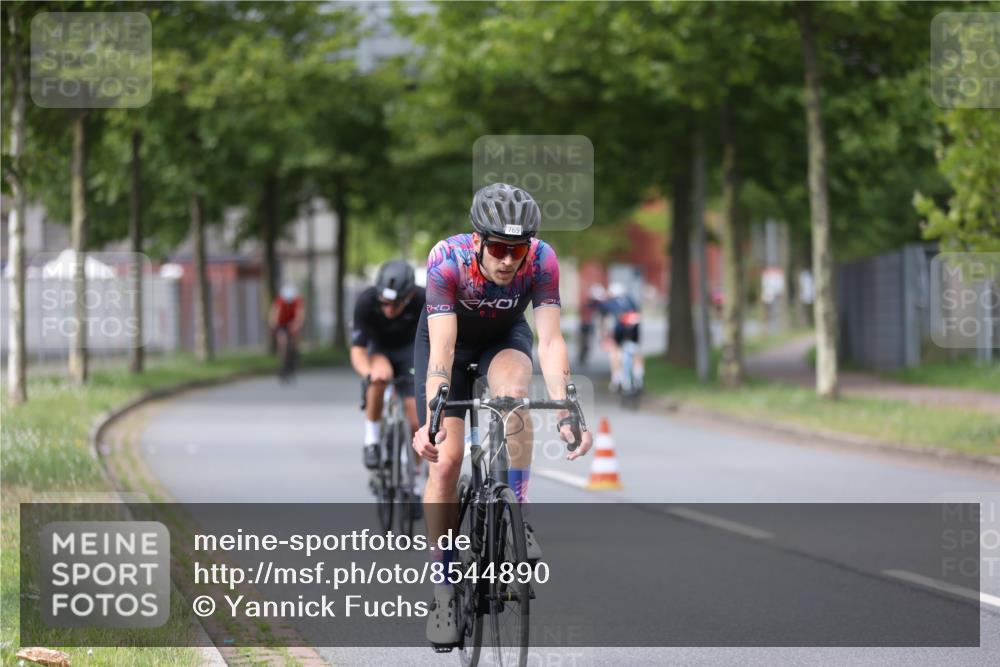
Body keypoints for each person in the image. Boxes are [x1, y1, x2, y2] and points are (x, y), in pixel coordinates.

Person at [411, 182, 593, 646]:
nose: (509, 259)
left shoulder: (542, 260)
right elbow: (443, 351)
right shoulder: (446, 260)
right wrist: (432, 417)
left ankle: (518, 509)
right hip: (445, 345)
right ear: (477, 241)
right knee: (447, 461)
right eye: (497, 247)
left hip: (503, 341)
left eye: (518, 248)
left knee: (513, 394)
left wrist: (568, 407)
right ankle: (445, 586)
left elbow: (551, 340)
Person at [350, 260, 424, 470]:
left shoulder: (423, 299)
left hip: (410, 352)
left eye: (396, 304)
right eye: (384, 303)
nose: (389, 309)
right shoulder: (366, 300)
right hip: (380, 350)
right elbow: (358, 351)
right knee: (380, 375)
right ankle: (371, 440)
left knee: (416, 421)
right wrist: (368, 374)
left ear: (409, 296)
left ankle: (413, 473)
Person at [601, 282, 643, 392]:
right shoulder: (630, 300)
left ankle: (616, 379)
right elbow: (638, 315)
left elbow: (606, 320)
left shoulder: (609, 303)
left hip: (618, 331)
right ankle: (638, 375)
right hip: (633, 331)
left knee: (614, 351)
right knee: (636, 351)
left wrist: (605, 334)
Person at [268, 284, 305, 382]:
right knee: (282, 342)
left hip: (292, 322)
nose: (288, 303)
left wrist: (296, 325)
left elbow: (300, 316)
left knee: (295, 341)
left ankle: (294, 356)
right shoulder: (280, 301)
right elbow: (274, 314)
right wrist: (273, 325)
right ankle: (282, 363)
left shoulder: (297, 301)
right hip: (282, 323)